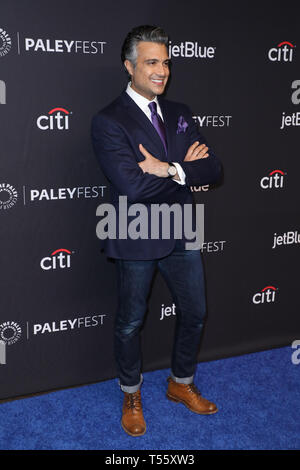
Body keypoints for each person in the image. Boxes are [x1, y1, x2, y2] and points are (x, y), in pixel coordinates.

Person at [91, 25, 222, 437]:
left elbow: (214, 169)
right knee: (131, 322)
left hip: (181, 228)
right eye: (151, 62)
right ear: (129, 67)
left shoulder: (181, 113)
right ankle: (131, 392)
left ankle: (180, 384)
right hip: (136, 230)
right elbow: (131, 185)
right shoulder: (109, 121)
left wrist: (168, 167)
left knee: (195, 312)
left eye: (165, 62)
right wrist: (185, 170)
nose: (161, 70)